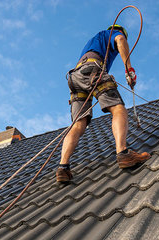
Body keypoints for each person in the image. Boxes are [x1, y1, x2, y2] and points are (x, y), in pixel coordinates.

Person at [56, 24, 151, 183]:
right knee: (118, 109)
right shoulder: (113, 34)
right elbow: (120, 40)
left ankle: (63, 168)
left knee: (78, 124)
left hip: (75, 77)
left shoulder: (94, 41)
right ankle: (123, 153)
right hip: (92, 70)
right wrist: (129, 70)